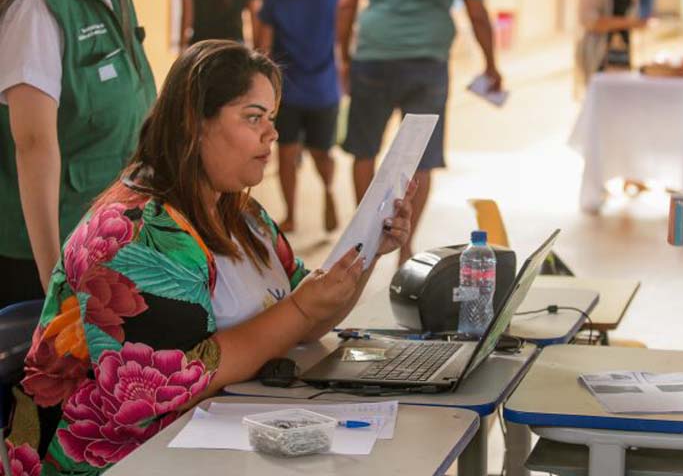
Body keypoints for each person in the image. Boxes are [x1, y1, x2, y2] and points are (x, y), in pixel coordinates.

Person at [14, 40, 415, 475]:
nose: (272, 134)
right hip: (115, 460)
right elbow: (162, 387)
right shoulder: (138, 231)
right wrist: (299, 309)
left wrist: (369, 251)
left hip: (207, 441)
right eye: (253, 117)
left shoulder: (241, 214)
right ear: (195, 124)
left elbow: (310, 320)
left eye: (272, 119)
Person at [0, 0, 159, 308]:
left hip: (108, 238)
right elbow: (34, 147)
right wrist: (54, 278)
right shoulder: (37, 6)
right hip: (42, 256)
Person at [337, 0, 502, 263]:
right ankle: (403, 242)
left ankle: (366, 236)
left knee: (364, 149)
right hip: (428, 61)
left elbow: (347, 3)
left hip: (374, 54)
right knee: (422, 158)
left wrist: (343, 57)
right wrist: (492, 64)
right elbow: (477, 12)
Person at [257, 0, 341, 234]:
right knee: (322, 153)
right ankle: (329, 189)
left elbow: (264, 49)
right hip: (324, 90)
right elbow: (344, 38)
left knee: (287, 154)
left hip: (287, 90)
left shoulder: (275, 2)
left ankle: (291, 215)